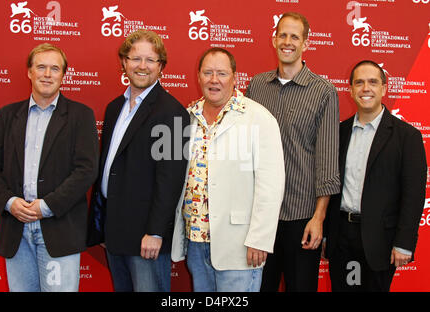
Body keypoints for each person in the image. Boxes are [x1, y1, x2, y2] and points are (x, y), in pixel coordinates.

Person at [0, 43, 99, 292]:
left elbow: (86, 170)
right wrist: (9, 202)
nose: (47, 74)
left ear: (63, 75)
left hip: (60, 228)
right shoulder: (7, 115)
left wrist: (47, 206)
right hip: (16, 229)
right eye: (41, 67)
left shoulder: (81, 116)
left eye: (54, 68)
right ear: (29, 72)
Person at [171, 47, 285, 292]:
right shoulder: (188, 118)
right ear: (198, 76)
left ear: (235, 77)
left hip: (241, 245)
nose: (214, 80)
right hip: (197, 241)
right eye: (208, 73)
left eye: (221, 73)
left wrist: (259, 239)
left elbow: (271, 185)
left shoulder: (259, 118)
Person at [87, 30, 189, 292]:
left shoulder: (173, 112)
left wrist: (155, 233)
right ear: (124, 62)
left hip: (146, 237)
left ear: (161, 67)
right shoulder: (114, 108)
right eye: (135, 59)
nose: (142, 66)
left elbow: (171, 179)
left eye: (150, 60)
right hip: (115, 231)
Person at [245, 12, 340, 292]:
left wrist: (318, 217)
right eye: (282, 35)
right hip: (261, 216)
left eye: (295, 36)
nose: (287, 42)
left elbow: (327, 161)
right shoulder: (256, 87)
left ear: (306, 43)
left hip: (302, 217)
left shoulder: (324, 92)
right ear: (274, 39)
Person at [325, 60, 427, 292]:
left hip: (380, 241)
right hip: (342, 238)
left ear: (384, 88)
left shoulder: (406, 137)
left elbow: (413, 195)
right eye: (359, 83)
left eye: (373, 82)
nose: (366, 88)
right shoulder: (339, 132)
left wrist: (404, 243)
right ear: (350, 90)